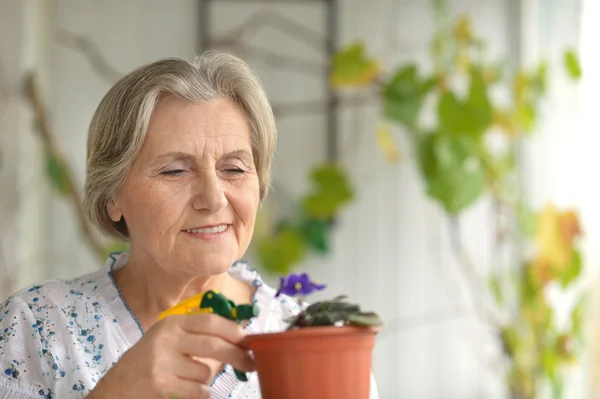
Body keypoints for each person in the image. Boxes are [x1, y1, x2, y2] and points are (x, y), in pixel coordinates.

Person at [0, 51, 379, 399]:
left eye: (234, 168)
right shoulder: (37, 325)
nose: (214, 198)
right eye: (175, 171)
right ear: (112, 195)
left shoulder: (314, 340)